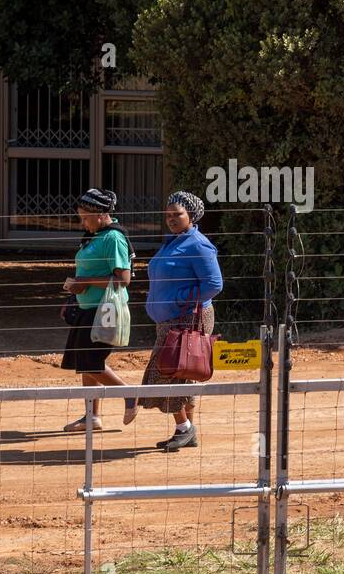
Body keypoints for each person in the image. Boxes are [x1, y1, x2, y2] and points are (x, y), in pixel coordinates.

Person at [136, 191, 224, 451]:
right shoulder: (173, 241)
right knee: (183, 373)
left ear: (192, 216)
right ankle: (186, 432)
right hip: (169, 318)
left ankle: (184, 428)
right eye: (169, 215)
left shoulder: (197, 244)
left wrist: (178, 301)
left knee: (165, 371)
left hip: (187, 319)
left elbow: (214, 284)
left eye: (178, 214)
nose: (172, 219)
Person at [60, 189, 135, 431]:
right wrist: (76, 288)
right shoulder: (95, 235)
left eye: (85, 217)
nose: (83, 222)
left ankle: (129, 394)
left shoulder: (112, 238)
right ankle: (91, 416)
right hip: (88, 307)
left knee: (91, 362)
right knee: (85, 362)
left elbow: (123, 278)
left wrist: (87, 283)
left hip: (105, 309)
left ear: (101, 214)